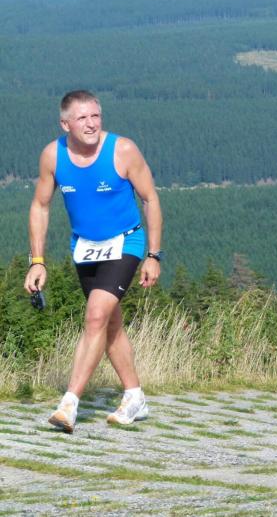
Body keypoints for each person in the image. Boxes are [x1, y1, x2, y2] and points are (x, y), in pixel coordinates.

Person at [24, 90, 163, 433]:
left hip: (125, 242)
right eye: (82, 118)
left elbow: (149, 198)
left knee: (96, 315)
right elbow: (40, 206)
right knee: (109, 324)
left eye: (95, 116)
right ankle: (135, 396)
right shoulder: (53, 155)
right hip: (85, 248)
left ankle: (69, 403)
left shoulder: (122, 150)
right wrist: (37, 260)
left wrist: (153, 255)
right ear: (65, 124)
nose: (91, 124)